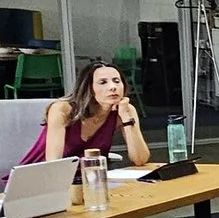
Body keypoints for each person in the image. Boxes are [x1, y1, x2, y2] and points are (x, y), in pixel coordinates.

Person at [15, 59, 150, 166]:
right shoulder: (62, 109)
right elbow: (53, 163)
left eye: (117, 81)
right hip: (43, 180)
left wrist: (127, 118)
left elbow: (140, 159)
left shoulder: (125, 111)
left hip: (90, 179)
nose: (113, 87)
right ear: (89, 89)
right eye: (103, 82)